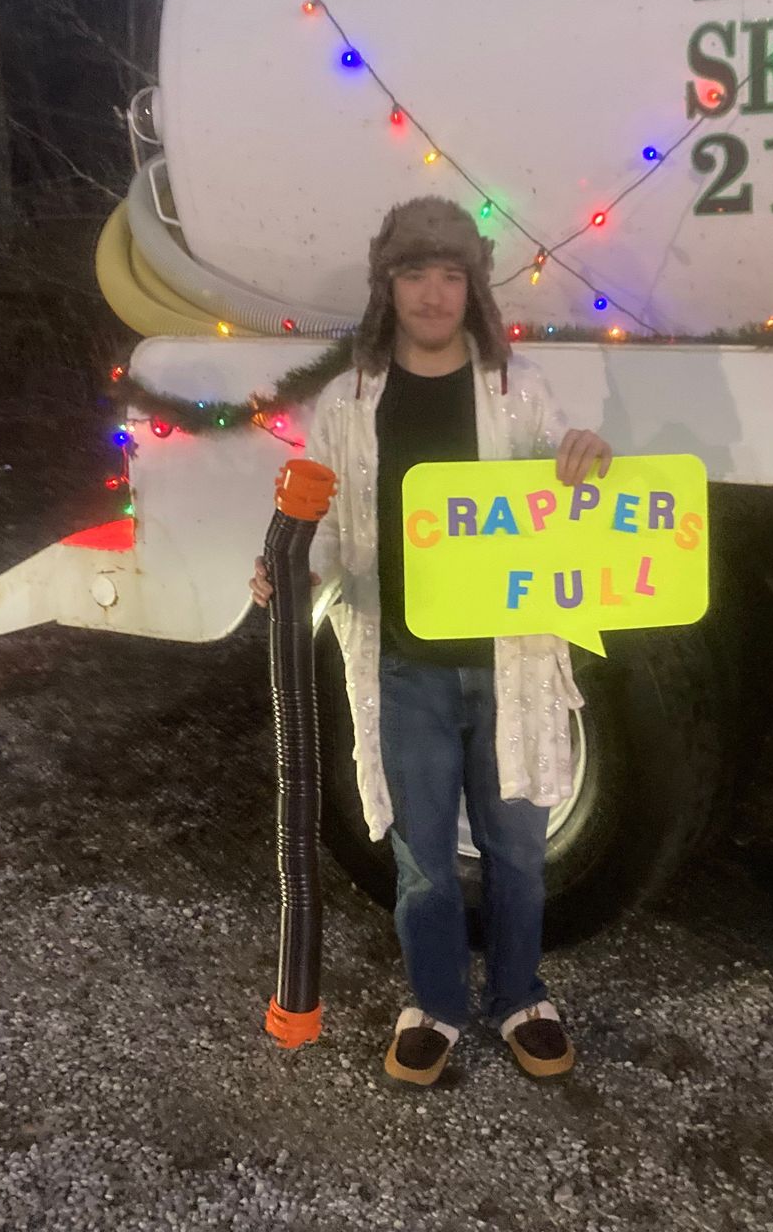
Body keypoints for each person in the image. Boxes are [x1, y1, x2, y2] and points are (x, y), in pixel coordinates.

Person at [250, 196, 612, 1088]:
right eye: (416, 274)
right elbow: (328, 536)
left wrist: (588, 464)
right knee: (420, 856)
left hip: (512, 661)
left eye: (451, 275)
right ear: (389, 286)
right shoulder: (348, 402)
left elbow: (568, 518)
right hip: (403, 666)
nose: (434, 293)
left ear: (472, 289)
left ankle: (521, 994)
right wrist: (287, 573)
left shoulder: (517, 390)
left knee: (520, 850)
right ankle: (438, 1002)